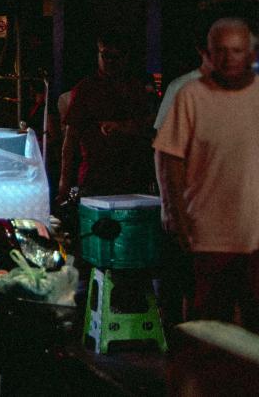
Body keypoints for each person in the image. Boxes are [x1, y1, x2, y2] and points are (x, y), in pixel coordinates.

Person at [154, 18, 259, 329]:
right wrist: (171, 208)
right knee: (209, 316)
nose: (229, 59)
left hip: (252, 230)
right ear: (208, 53)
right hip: (207, 230)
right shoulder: (188, 93)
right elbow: (167, 155)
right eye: (221, 51)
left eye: (237, 51)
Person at [154, 27, 217, 324]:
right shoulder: (183, 89)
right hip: (193, 202)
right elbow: (164, 152)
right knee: (190, 283)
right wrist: (169, 205)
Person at [59, 38, 158, 200]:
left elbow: (151, 126)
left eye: (116, 57)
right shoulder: (86, 88)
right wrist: (64, 183)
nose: (111, 62)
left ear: (125, 58)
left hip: (133, 176)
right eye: (106, 56)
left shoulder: (135, 88)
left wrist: (123, 126)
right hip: (95, 177)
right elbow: (70, 138)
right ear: (98, 56)